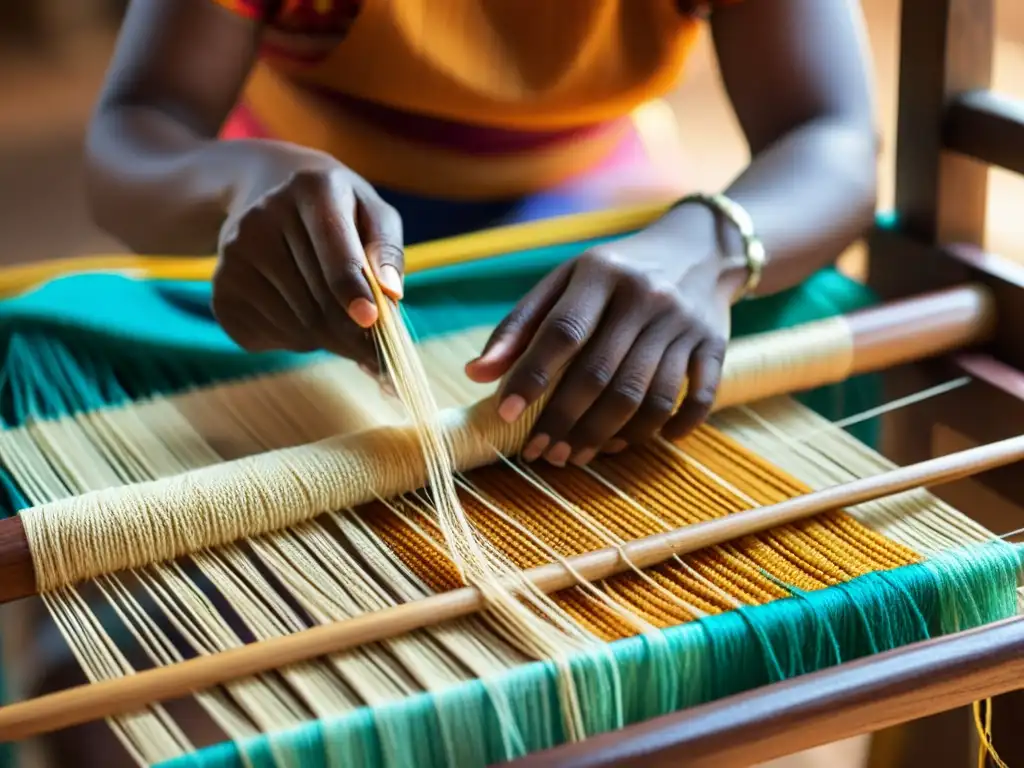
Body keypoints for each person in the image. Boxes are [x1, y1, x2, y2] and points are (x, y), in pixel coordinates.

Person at [83, 0, 879, 469]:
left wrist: (709, 245)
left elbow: (830, 135)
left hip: (583, 216)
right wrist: (240, 183)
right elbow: (134, 134)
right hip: (302, 238)